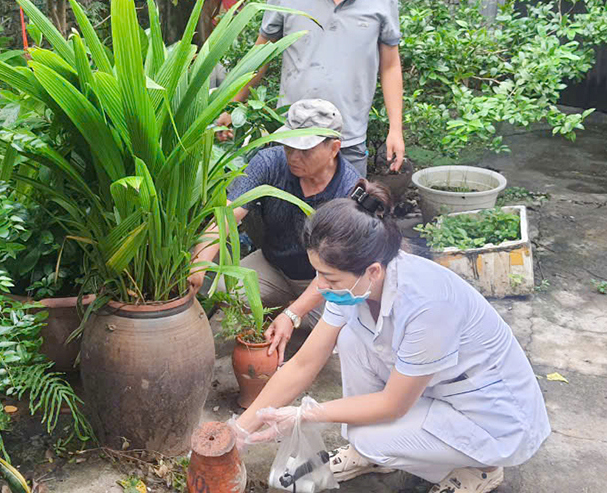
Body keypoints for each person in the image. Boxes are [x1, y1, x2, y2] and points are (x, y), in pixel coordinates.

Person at [230, 180, 550, 493]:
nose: (320, 287)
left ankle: (483, 468)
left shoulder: (428, 305)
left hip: (490, 415)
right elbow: (303, 364)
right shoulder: (355, 285)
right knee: (352, 338)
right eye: (317, 273)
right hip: (437, 388)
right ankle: (372, 456)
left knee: (368, 436)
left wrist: (307, 415)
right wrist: (239, 432)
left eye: (328, 277)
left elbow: (393, 404)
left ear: (372, 271)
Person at [216, 0, 405, 178]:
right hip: (291, 138)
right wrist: (233, 106)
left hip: (348, 142)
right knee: (286, 218)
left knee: (346, 220)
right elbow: (261, 54)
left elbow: (390, 65)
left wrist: (395, 129)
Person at [190, 99, 360, 359]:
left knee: (341, 337)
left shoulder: (349, 190)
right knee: (225, 289)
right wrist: (199, 262)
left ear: (334, 148)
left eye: (305, 150)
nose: (293, 156)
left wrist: (292, 314)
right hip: (274, 265)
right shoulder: (270, 162)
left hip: (324, 279)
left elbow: (336, 269)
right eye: (289, 145)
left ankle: (293, 309)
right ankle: (279, 306)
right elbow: (227, 214)